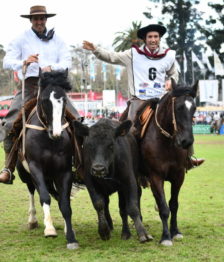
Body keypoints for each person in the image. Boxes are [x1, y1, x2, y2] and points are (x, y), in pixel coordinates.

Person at [82, 24, 204, 169]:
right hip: (139, 101)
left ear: (159, 39)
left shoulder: (169, 55)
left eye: (156, 37)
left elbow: (173, 74)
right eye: (150, 37)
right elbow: (112, 57)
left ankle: (188, 159)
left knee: (182, 122)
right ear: (145, 39)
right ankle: (133, 164)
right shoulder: (132, 55)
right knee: (130, 131)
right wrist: (95, 49)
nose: (153, 40)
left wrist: (170, 83)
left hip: (161, 100)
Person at [0, 5, 80, 184]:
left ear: (46, 20)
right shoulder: (21, 39)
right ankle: (8, 168)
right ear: (30, 20)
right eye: (36, 19)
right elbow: (6, 62)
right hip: (31, 86)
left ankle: (79, 165)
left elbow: (67, 61)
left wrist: (52, 67)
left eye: (42, 18)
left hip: (54, 85)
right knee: (10, 123)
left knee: (77, 119)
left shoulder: (58, 39)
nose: (39, 22)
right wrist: (25, 61)